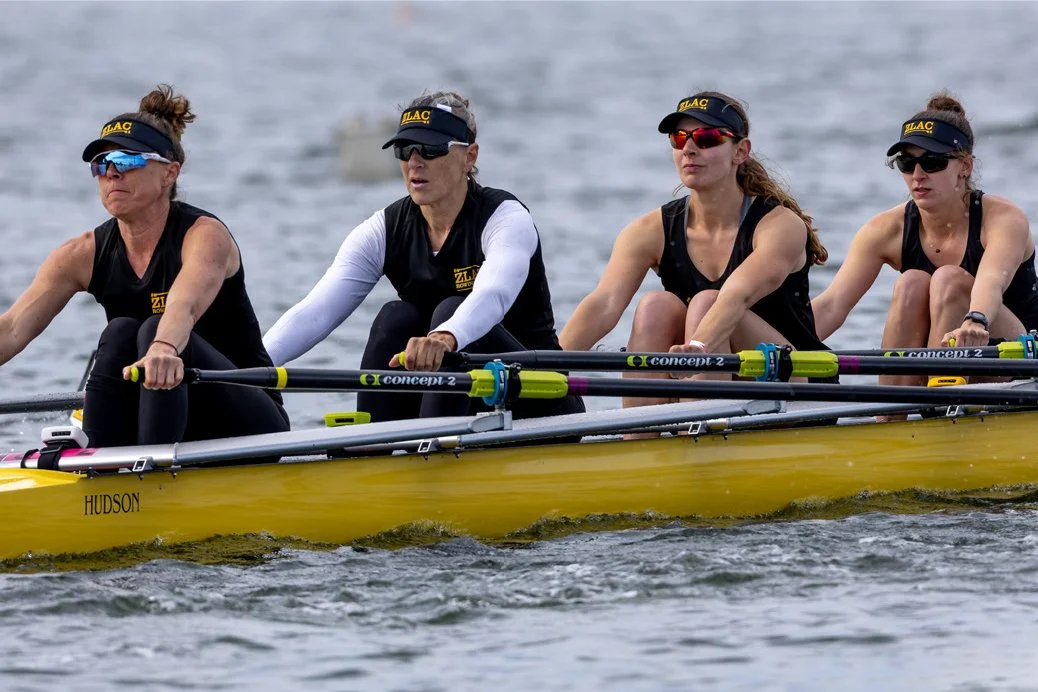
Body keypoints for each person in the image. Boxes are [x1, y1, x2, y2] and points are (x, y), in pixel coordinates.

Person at [263, 91, 584, 422]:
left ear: (469, 156)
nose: (415, 162)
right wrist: (246, 366)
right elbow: (314, 314)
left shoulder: (505, 218)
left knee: (452, 309)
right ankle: (378, 447)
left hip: (540, 399)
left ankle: (432, 446)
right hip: (454, 398)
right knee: (394, 317)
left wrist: (446, 336)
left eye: (431, 149)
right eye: (405, 150)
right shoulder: (381, 231)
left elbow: (493, 294)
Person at [0, 85, 290, 448]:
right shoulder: (81, 253)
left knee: (153, 328)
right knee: (121, 331)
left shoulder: (205, 236)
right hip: (158, 414)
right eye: (101, 165)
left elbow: (182, 307)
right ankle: (101, 468)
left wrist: (165, 347)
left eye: (126, 161)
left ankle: (146, 482)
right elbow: (10, 330)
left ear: (170, 173)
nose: (111, 173)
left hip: (249, 422)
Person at [559, 91, 829, 407]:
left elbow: (737, 296)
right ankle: (642, 438)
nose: (689, 148)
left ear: (740, 151)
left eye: (707, 138)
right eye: (679, 138)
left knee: (706, 302)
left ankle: (697, 432)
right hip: (702, 378)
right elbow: (603, 306)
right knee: (654, 307)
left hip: (802, 386)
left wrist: (699, 348)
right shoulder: (648, 231)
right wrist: (543, 367)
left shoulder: (779, 225)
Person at [811, 92, 1038, 387]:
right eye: (906, 163)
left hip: (1017, 362)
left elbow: (991, 280)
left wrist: (976, 320)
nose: (918, 175)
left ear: (964, 167)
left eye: (932, 162)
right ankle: (891, 418)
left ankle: (938, 406)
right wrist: (764, 342)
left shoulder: (1004, 219)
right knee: (911, 283)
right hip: (944, 358)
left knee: (949, 279)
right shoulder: (885, 229)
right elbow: (831, 306)